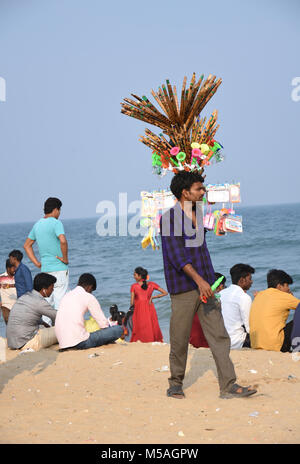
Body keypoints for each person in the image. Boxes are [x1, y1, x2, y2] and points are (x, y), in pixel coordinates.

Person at [160, 171, 256, 399]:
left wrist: (211, 282)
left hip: (207, 286)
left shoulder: (197, 214)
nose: (204, 192)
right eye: (199, 189)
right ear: (185, 192)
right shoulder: (169, 219)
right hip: (184, 288)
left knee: (219, 335)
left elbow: (201, 254)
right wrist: (201, 281)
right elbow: (178, 257)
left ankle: (229, 385)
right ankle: (175, 383)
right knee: (180, 338)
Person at [55, 273, 123, 351]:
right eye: (91, 290)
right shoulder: (88, 296)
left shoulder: (66, 296)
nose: (91, 292)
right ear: (89, 287)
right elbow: (103, 324)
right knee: (118, 329)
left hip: (62, 343)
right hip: (80, 342)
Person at [23, 197, 69, 313]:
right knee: (61, 304)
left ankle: (46, 329)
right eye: (59, 211)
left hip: (45, 270)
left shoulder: (37, 225)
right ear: (55, 210)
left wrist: (37, 263)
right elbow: (63, 241)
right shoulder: (56, 223)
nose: (59, 213)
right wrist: (65, 258)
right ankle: (61, 328)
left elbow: (27, 245)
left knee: (47, 304)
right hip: (59, 269)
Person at [250, 269, 300, 352]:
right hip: (275, 346)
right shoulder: (282, 296)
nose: (288, 289)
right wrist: (291, 297)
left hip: (256, 345)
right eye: (287, 285)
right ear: (279, 286)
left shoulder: (260, 295)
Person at [6, 273, 58, 351]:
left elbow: (29, 317)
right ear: (44, 289)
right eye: (51, 288)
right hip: (27, 343)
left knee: (44, 327)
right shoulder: (40, 302)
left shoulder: (25, 297)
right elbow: (58, 316)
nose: (53, 290)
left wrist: (45, 324)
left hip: (12, 342)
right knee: (63, 330)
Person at [220, 264, 255, 349]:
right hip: (237, 342)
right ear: (242, 280)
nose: (252, 281)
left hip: (221, 341)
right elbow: (249, 327)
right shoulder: (244, 297)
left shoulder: (221, 293)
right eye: (250, 279)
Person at [130, 267, 167, 343]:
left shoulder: (134, 286)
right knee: (151, 324)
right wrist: (153, 297)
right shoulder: (151, 284)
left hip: (139, 308)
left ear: (139, 276)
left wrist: (132, 308)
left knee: (140, 324)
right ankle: (152, 339)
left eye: (135, 275)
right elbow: (165, 293)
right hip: (149, 306)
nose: (134, 276)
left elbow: (132, 302)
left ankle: (142, 340)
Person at [189, 272, 226, 349]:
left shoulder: (197, 298)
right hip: (206, 343)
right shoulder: (216, 300)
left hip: (193, 341)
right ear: (220, 287)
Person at [0, 259, 17, 324]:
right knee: (9, 325)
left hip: (18, 305)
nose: (15, 269)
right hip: (6, 306)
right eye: (13, 267)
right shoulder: (1, 277)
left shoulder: (18, 277)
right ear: (8, 268)